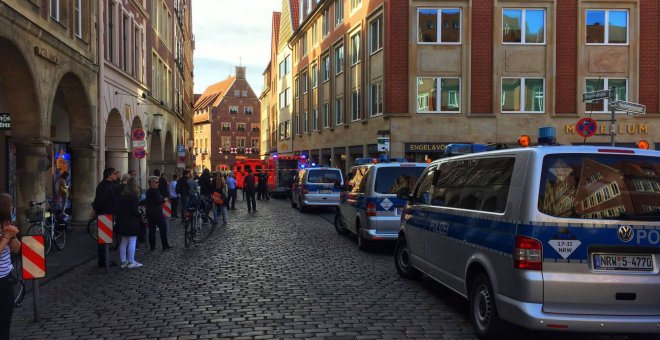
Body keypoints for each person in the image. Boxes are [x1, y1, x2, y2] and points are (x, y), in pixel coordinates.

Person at [0, 193, 21, 339]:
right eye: (11, 204)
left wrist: (12, 237)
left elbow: (16, 249)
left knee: (4, 321)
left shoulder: (6, 224)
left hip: (6, 279)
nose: (13, 207)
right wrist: (6, 238)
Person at [92, 168, 120, 267]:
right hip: (105, 214)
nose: (116, 175)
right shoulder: (104, 186)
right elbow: (100, 201)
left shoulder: (110, 185)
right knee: (104, 240)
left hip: (108, 214)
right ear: (109, 175)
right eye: (115, 173)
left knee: (107, 239)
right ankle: (103, 261)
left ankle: (105, 260)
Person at [115, 178, 143, 269]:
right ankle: (131, 261)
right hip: (131, 221)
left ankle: (123, 261)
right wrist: (140, 216)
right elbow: (134, 210)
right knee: (132, 240)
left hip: (122, 220)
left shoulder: (123, 195)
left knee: (123, 241)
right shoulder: (133, 196)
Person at [145, 176, 173, 251]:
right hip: (157, 213)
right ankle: (165, 245)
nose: (158, 184)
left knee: (152, 230)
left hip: (149, 213)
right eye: (156, 182)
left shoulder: (148, 191)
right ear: (152, 183)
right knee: (163, 229)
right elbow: (158, 201)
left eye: (158, 182)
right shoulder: (155, 190)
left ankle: (152, 247)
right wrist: (165, 199)